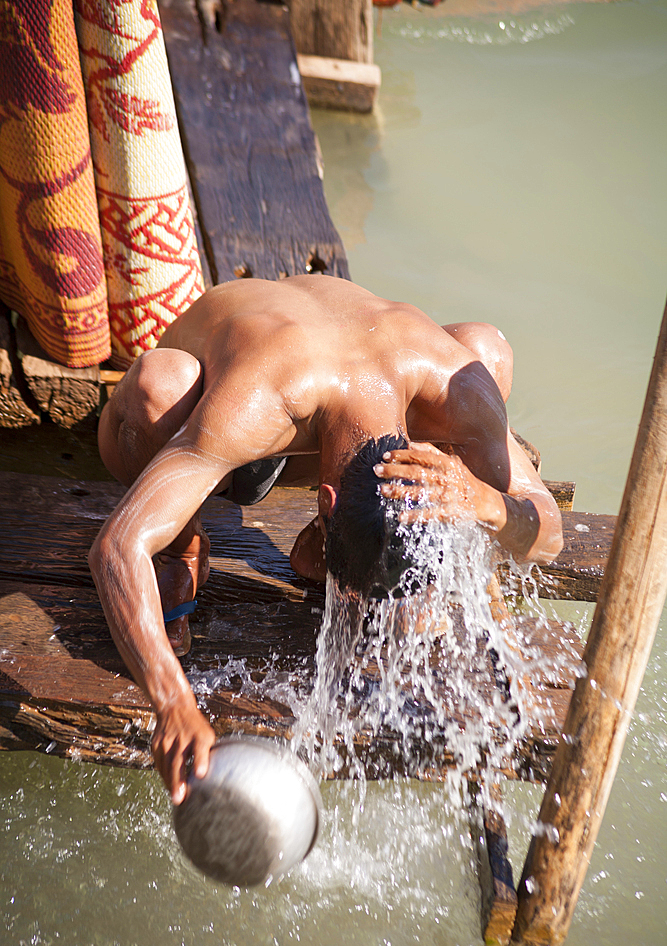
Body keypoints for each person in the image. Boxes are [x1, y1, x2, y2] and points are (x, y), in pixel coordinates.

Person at [89, 274, 563, 803]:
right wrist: (172, 702)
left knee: (488, 349)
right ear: (324, 503)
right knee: (160, 387)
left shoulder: (455, 385)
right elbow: (115, 546)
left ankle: (354, 551)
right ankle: (181, 544)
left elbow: (550, 532)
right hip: (217, 412)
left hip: (330, 408)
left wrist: (481, 499)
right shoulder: (253, 404)